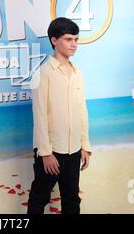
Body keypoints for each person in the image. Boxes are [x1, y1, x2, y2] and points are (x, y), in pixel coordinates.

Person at [27, 17, 92, 214]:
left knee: (72, 199)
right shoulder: (43, 73)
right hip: (52, 151)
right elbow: (39, 115)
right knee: (39, 199)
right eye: (68, 39)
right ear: (54, 40)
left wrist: (85, 146)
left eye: (76, 39)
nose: (74, 44)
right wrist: (46, 153)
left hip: (73, 150)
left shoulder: (77, 72)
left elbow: (82, 111)